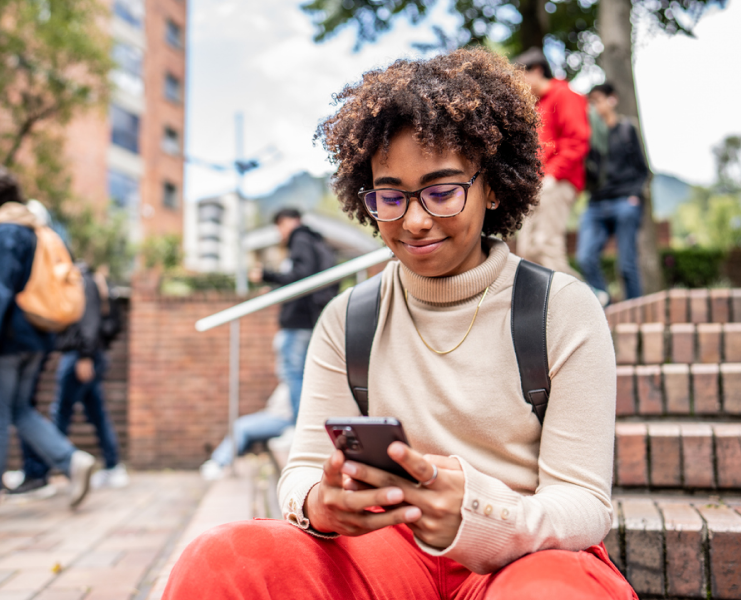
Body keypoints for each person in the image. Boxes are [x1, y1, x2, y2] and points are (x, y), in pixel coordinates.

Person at [163, 48, 635, 599]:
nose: (413, 220)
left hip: (524, 556)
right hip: (385, 553)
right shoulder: (347, 319)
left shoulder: (562, 309)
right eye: (391, 196)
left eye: (442, 191)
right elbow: (301, 473)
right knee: (220, 561)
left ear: (494, 187)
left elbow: (583, 504)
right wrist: (320, 501)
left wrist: (474, 513)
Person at [0, 169, 95, 508]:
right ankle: (71, 460)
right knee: (19, 409)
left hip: (9, 337)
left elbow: (2, 288)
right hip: (35, 335)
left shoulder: (7, 231)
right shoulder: (37, 231)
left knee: (4, 410)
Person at [16, 263, 128, 497]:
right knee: (96, 413)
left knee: (61, 412)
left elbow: (88, 322)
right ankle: (111, 465)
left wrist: (85, 355)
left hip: (80, 356)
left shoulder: (81, 280)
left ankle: (49, 470)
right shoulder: (90, 280)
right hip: (85, 355)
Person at [248, 208, 337, 421]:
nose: (279, 233)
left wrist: (266, 275)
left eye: (279, 226)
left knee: (292, 372)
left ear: (288, 222)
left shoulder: (301, 239)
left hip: (299, 320)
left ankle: (301, 424)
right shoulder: (313, 240)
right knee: (305, 373)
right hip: (309, 318)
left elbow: (302, 276)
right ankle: (309, 422)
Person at [514, 47, 590, 277]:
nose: (520, 85)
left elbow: (578, 140)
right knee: (527, 251)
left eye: (521, 78)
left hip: (558, 182)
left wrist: (553, 175)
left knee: (546, 246)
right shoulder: (537, 106)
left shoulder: (564, 94)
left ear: (537, 71)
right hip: (538, 185)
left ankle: (580, 301)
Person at [576, 83, 649, 301]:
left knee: (626, 264)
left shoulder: (627, 129)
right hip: (597, 202)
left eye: (598, 100)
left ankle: (636, 314)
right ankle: (604, 305)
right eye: (591, 102)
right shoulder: (590, 136)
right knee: (584, 258)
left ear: (612, 100)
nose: (594, 106)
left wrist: (634, 197)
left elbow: (643, 170)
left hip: (624, 201)